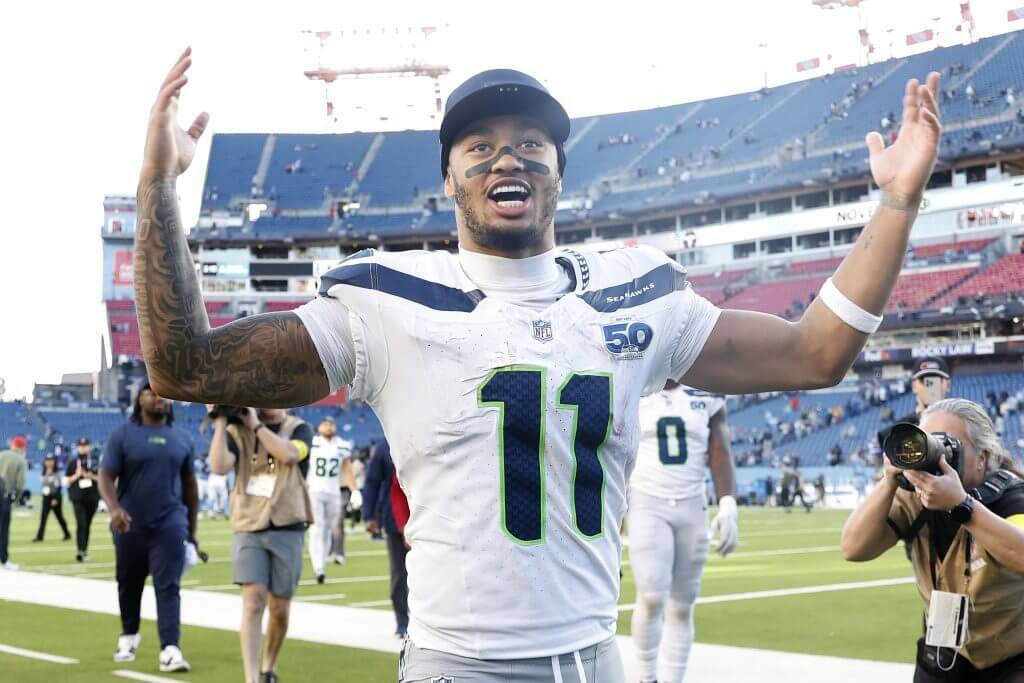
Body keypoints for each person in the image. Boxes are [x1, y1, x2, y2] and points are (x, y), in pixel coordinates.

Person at [135, 48, 941, 680]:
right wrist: (158, 188)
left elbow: (816, 353)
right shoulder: (386, 299)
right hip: (457, 662)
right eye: (479, 146)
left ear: (560, 169)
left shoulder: (638, 292)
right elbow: (185, 366)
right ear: (448, 176)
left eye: (530, 145)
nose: (506, 160)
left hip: (594, 659)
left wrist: (897, 204)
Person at [841, 399, 1024, 681]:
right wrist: (890, 479)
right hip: (940, 655)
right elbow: (853, 548)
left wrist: (962, 506)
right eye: (927, 444)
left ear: (983, 457)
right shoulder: (914, 498)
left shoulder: (1011, 497)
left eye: (948, 447)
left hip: (1009, 661)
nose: (935, 458)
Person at [628, 382, 737, 683]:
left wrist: (727, 501)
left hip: (692, 503)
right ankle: (646, 677)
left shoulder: (707, 390)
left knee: (682, 603)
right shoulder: (636, 385)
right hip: (646, 501)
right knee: (651, 594)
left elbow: (720, 449)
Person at [208, 405, 313, 683]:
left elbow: (289, 455)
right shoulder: (236, 431)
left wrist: (256, 426)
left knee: (280, 608)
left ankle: (269, 667)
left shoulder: (299, 428)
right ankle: (251, 678)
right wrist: (220, 421)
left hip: (288, 524)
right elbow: (218, 466)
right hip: (248, 524)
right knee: (253, 602)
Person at [98, 384, 199, 672]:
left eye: (163, 394)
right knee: (129, 583)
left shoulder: (182, 437)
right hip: (129, 523)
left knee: (168, 586)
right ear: (138, 399)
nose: (158, 398)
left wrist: (192, 533)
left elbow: (190, 488)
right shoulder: (123, 435)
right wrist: (115, 509)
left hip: (170, 523)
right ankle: (129, 635)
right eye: (151, 393)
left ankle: (170, 648)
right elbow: (105, 476)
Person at [362, 439, 409, 639]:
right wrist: (369, 515)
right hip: (394, 520)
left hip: (428, 519)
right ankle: (402, 622)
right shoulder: (384, 447)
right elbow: (372, 481)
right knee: (399, 574)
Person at [306, 416, 356, 583]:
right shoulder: (312, 443)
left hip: (333, 491)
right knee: (317, 528)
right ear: (318, 427)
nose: (328, 427)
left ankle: (323, 561)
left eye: (331, 424)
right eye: (325, 424)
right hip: (314, 491)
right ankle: (318, 567)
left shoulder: (342, 445)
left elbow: (347, 469)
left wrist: (354, 490)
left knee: (327, 529)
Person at [879, 357, 952, 448]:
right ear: (914, 386)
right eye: (923, 380)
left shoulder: (961, 425)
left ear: (948, 385)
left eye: (936, 380)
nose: (930, 386)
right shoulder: (896, 431)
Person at [66, 436, 101, 561]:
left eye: (85, 445)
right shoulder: (73, 462)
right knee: (81, 524)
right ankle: (80, 551)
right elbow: (67, 480)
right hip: (78, 497)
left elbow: (103, 479)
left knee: (87, 524)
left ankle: (84, 550)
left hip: (92, 497)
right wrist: (77, 475)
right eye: (81, 446)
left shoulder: (96, 461)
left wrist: (90, 475)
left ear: (89, 447)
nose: (83, 448)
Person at [0, 435, 28, 570]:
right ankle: (3, 560)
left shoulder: (1, 454)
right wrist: (16, 501)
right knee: (3, 530)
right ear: (23, 447)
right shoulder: (21, 460)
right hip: (4, 498)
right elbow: (20, 484)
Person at [33, 453, 71, 542]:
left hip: (55, 497)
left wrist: (55, 499)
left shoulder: (57, 473)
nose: (49, 463)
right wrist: (47, 474)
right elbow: (44, 484)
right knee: (43, 517)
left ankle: (67, 534)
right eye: (47, 461)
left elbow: (58, 487)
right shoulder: (43, 472)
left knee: (59, 517)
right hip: (46, 497)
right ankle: (40, 536)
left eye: (51, 461)